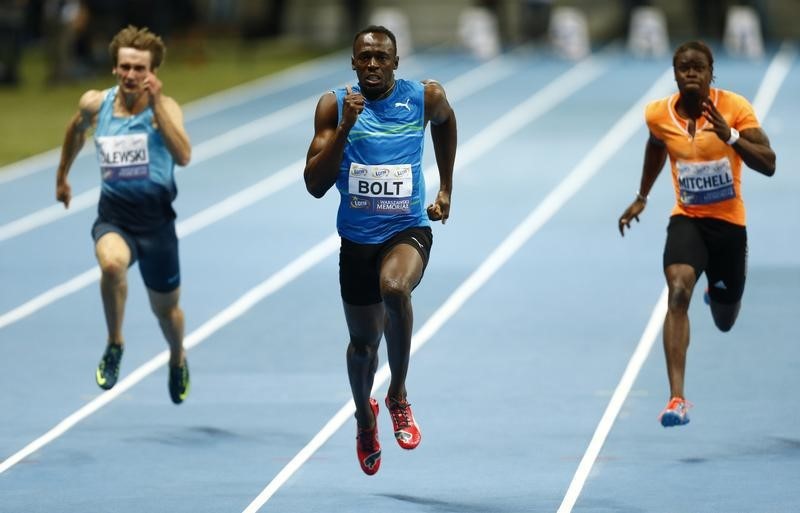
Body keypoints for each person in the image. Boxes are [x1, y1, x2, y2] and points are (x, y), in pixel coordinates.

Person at [303, 25, 456, 474]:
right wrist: (345, 128)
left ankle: (398, 395)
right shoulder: (334, 106)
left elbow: (446, 125)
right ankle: (364, 417)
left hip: (407, 229)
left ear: (395, 61)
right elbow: (314, 185)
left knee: (395, 288)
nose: (372, 64)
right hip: (356, 241)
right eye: (364, 57)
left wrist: (446, 187)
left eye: (381, 57)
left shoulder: (424, 97)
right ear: (353, 62)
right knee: (362, 347)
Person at [618, 40, 775, 427]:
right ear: (674, 74)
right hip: (687, 219)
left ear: (710, 73)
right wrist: (642, 196)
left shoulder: (735, 109)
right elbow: (656, 147)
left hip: (729, 226)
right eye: (683, 67)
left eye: (698, 67)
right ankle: (677, 399)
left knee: (725, 318)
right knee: (677, 289)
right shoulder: (658, 114)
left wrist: (731, 137)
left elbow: (769, 163)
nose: (690, 72)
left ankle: (717, 292)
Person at [55, 25, 192, 404]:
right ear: (115, 68)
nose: (131, 75)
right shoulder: (95, 104)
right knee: (112, 265)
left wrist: (158, 107)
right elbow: (75, 130)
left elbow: (183, 155)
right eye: (125, 67)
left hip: (158, 226)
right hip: (114, 218)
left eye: (139, 69)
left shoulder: (165, 109)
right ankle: (115, 343)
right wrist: (62, 176)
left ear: (153, 72)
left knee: (168, 313)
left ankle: (178, 357)